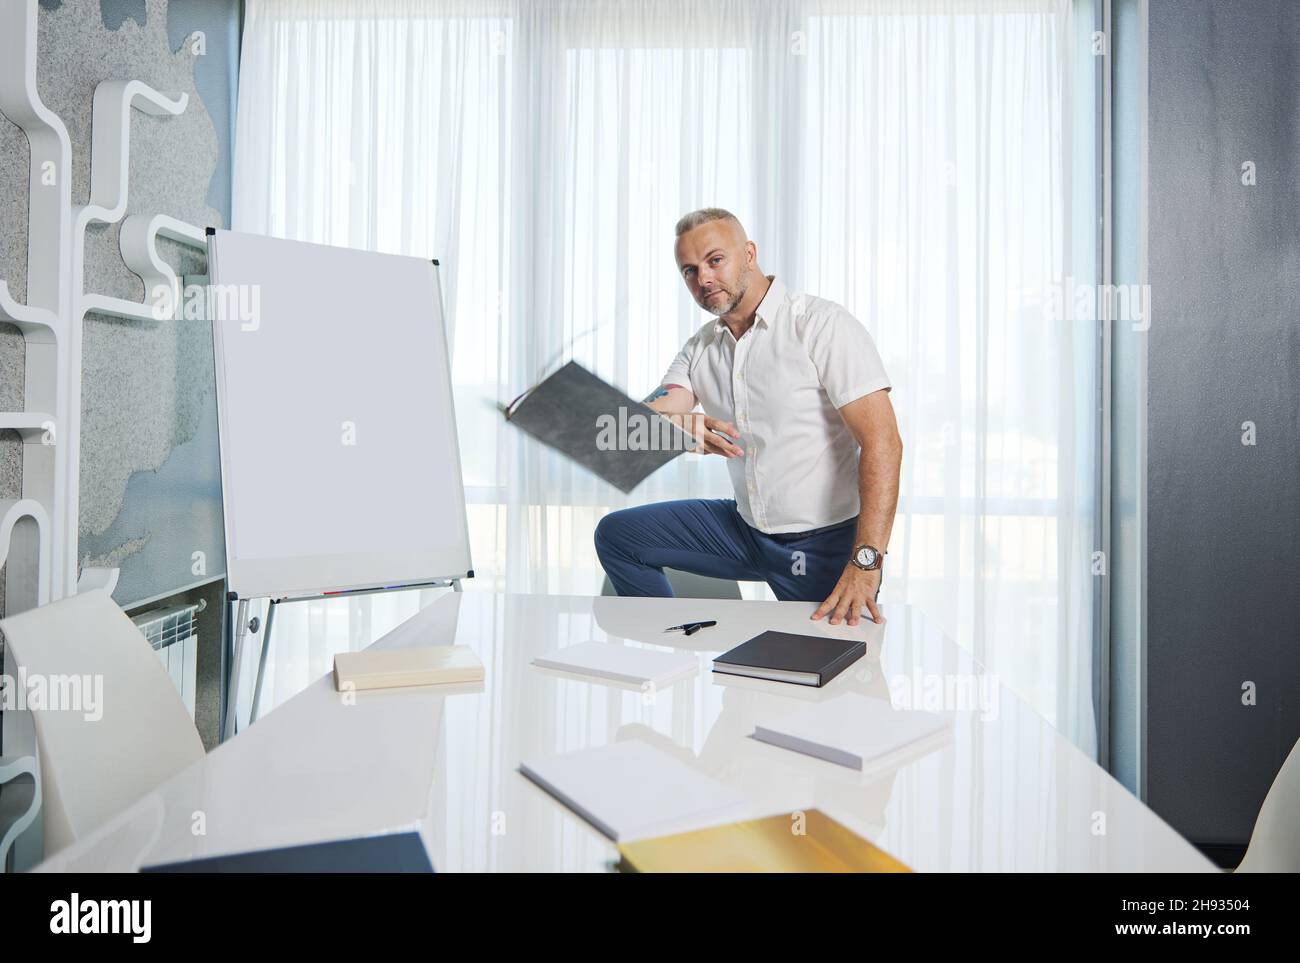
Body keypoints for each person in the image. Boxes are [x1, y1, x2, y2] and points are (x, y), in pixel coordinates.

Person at [594, 208, 902, 627]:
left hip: (822, 543)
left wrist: (867, 565)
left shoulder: (820, 325)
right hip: (745, 530)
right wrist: (677, 429)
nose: (702, 279)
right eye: (689, 271)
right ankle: (667, 649)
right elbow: (640, 424)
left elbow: (883, 442)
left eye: (714, 260)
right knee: (620, 536)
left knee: (826, 682)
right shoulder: (700, 348)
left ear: (749, 254)